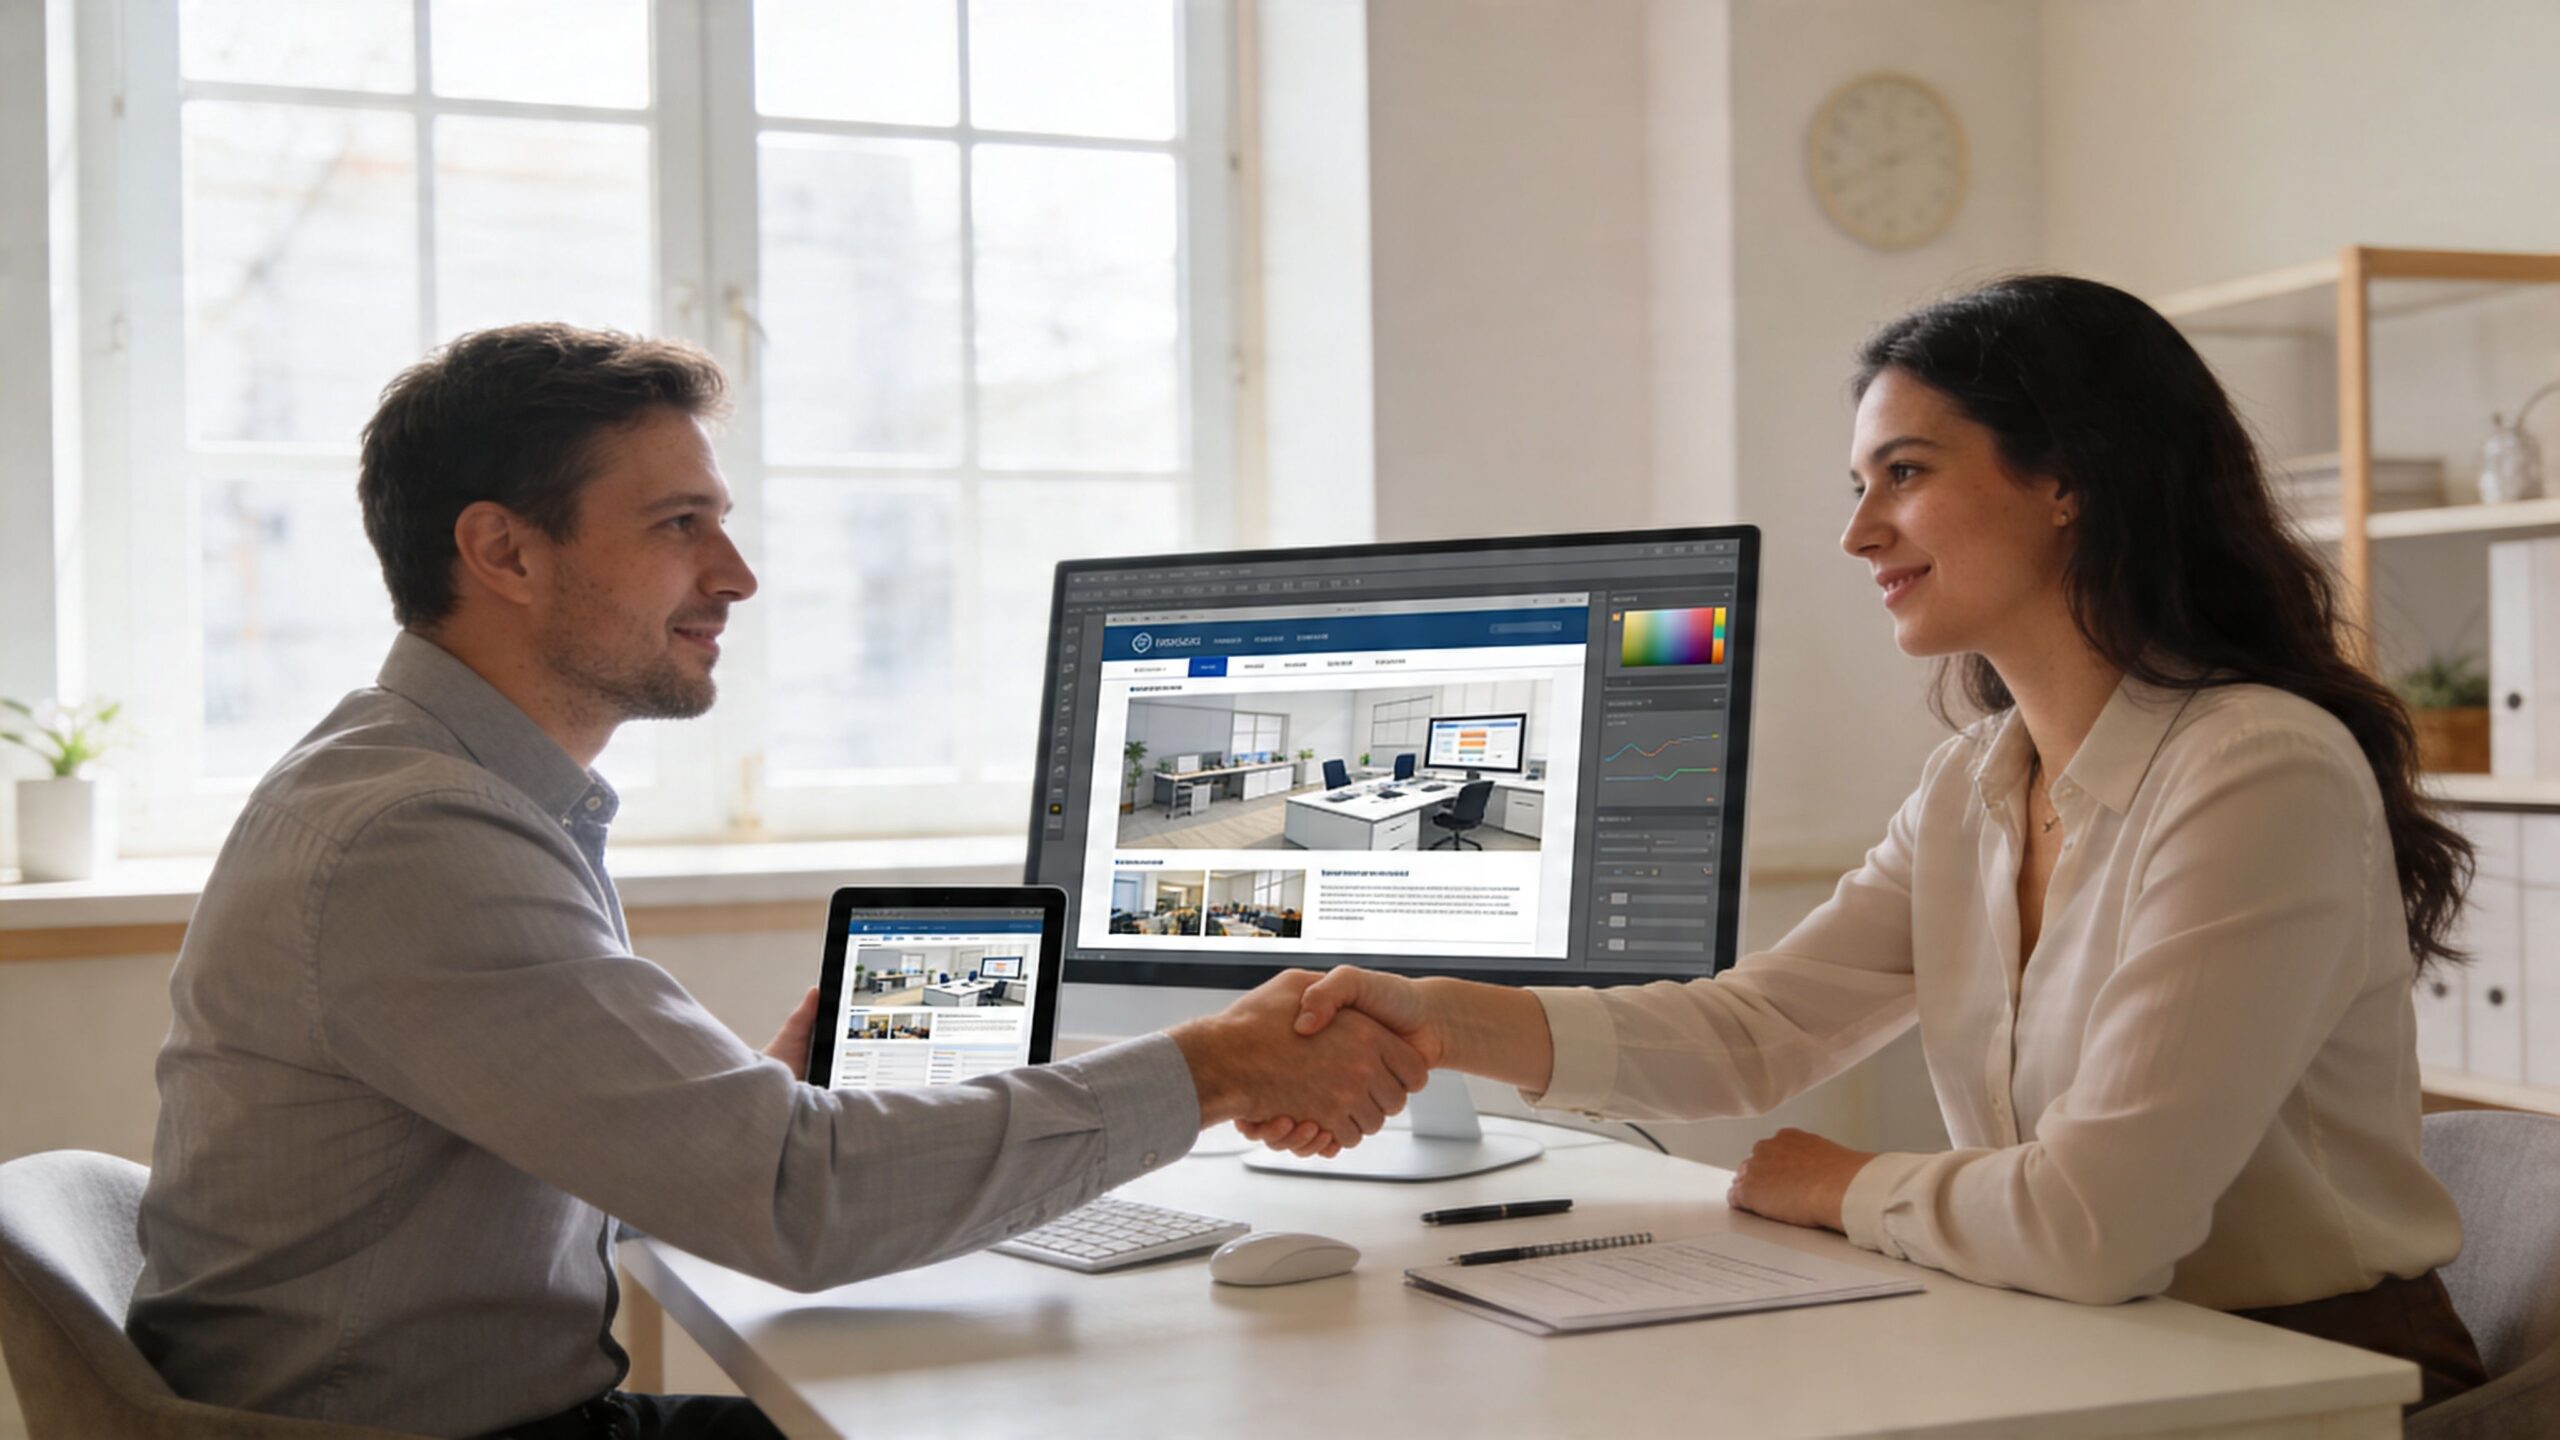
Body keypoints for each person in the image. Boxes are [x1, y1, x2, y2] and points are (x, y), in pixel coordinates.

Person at [128, 323, 1426, 1440]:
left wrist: (711, 1107)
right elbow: (798, 1202)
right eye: (678, 526)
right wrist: (1216, 1068)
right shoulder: (418, 840)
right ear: (505, 555)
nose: (735, 577)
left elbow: (696, 1165)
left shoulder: (434, 787)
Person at [1260, 274, 2489, 1411]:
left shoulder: (2255, 768)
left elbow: (2095, 1225)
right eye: (1859, 485)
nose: (1859, 534)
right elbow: (1755, 1032)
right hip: (2091, 1348)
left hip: (2312, 1381)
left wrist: (1841, 1184)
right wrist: (1431, 1014)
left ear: (2072, 480)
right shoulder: (1974, 783)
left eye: (1902, 473)